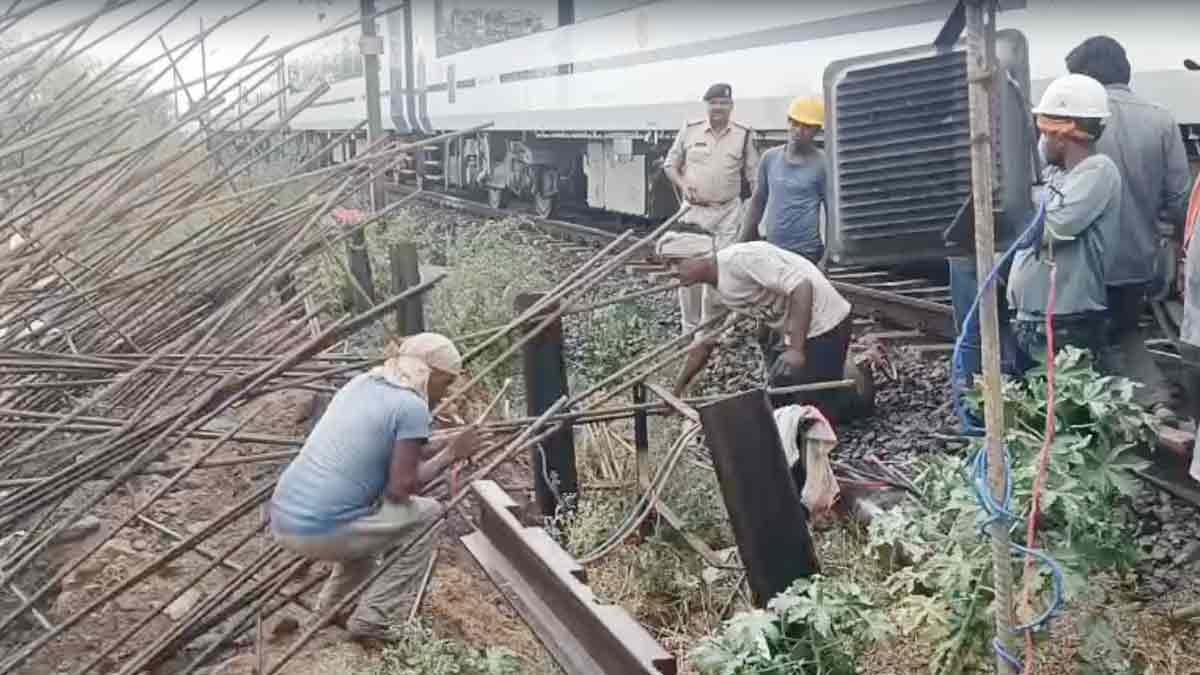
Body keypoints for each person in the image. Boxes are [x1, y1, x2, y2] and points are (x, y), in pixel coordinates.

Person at [268, 333, 482, 642]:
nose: (444, 394)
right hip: (319, 530)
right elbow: (401, 488)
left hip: (285, 518)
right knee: (429, 514)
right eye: (445, 384)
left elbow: (392, 448)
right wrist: (451, 454)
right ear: (429, 374)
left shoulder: (361, 384)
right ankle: (374, 618)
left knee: (365, 528)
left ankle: (331, 610)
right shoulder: (411, 406)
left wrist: (447, 440)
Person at [1065, 36, 1192, 416]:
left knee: (1084, 341)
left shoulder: (1077, 122)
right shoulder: (1161, 120)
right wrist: (1175, 250)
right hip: (1138, 259)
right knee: (1124, 328)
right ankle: (1151, 399)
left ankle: (1111, 409)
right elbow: (1180, 198)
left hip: (1083, 261)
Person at [1007, 74, 1121, 365]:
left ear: (1062, 134)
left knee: (1062, 408)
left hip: (1065, 322)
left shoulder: (1098, 171)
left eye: (1045, 133)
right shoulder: (1054, 173)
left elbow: (1045, 229)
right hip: (1036, 319)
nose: (1041, 140)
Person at [669, 241, 853, 417]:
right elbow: (703, 344)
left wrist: (795, 350)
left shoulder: (740, 260)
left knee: (815, 408)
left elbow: (802, 286)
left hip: (827, 321)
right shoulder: (713, 295)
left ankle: (823, 437)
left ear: (702, 254)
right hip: (796, 330)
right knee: (781, 400)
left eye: (677, 262)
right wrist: (675, 392)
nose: (673, 272)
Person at [659, 82, 761, 338]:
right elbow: (670, 165)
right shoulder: (690, 130)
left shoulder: (743, 134)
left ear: (731, 107)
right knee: (689, 274)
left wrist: (753, 209)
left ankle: (712, 332)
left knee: (722, 273)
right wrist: (683, 184)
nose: (718, 108)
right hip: (694, 214)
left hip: (728, 213)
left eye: (723, 104)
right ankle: (689, 329)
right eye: (714, 103)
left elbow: (755, 177)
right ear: (707, 105)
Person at [741, 96, 827, 264]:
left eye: (806, 127)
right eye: (795, 124)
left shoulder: (823, 164)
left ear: (816, 130)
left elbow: (832, 213)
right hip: (773, 249)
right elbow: (757, 203)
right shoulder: (770, 158)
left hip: (806, 253)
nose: (798, 131)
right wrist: (741, 242)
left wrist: (826, 258)